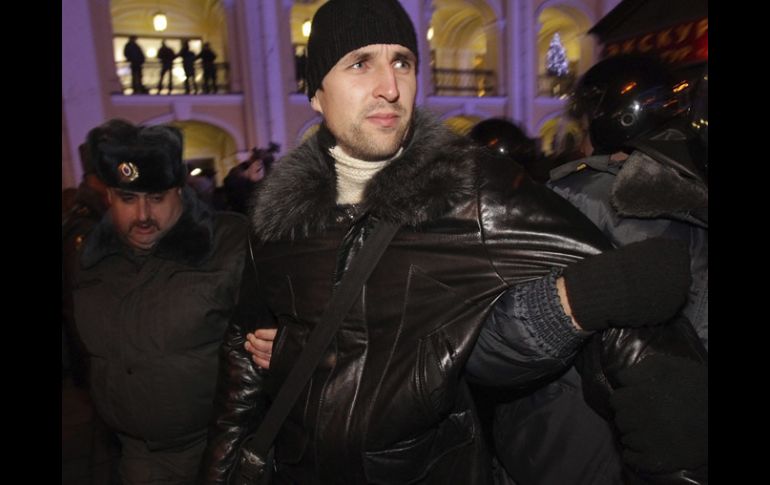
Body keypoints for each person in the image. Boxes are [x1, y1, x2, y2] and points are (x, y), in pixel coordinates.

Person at [198, 2, 691, 483]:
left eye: (402, 63)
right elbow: (243, 354)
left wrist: (674, 439)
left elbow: (612, 290)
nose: (389, 87)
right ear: (317, 93)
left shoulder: (471, 189)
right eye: (360, 64)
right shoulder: (277, 216)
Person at [475, 56, 708, 485]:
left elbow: (489, 345)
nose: (578, 139)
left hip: (566, 452)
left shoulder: (579, 197)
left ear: (614, 120)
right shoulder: (693, 192)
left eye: (583, 124)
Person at [70, 119, 248, 484]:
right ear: (109, 197)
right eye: (128, 199)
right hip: (129, 455)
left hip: (217, 453)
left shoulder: (230, 245)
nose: (143, 216)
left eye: (156, 198)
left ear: (180, 192)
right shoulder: (89, 259)